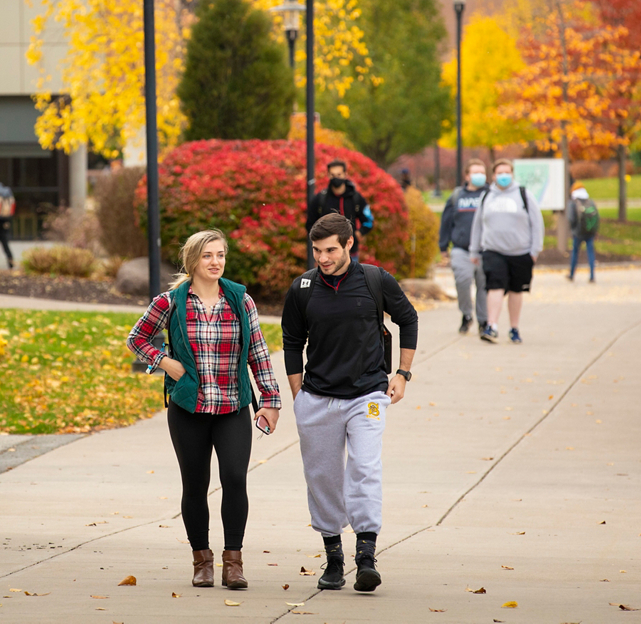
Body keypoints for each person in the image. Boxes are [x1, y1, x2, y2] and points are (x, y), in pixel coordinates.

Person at [125, 229, 282, 590]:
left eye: (221, 255)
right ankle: (202, 560)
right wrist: (164, 362)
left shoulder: (241, 300)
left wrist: (270, 401)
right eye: (208, 256)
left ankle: (233, 562)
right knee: (195, 485)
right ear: (193, 261)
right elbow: (137, 338)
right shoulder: (171, 302)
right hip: (187, 409)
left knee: (235, 479)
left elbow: (258, 352)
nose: (216, 262)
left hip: (232, 407)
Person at [282, 213, 418, 594]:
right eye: (317, 251)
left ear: (348, 245)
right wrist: (298, 396)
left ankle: (366, 555)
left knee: (365, 467)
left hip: (369, 396)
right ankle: (334, 556)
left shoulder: (375, 280)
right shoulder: (303, 288)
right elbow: (292, 341)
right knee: (322, 477)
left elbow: (408, 319)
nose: (323, 258)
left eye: (330, 250)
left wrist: (403, 374)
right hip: (317, 397)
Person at [469, 159, 544, 344]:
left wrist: (535, 250)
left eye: (507, 172)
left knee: (516, 290)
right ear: (494, 176)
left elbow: (537, 224)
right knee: (494, 286)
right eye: (500, 173)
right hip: (493, 250)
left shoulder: (523, 194)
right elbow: (477, 225)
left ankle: (514, 327)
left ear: (512, 174)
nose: (504, 176)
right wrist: (474, 250)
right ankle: (492, 326)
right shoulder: (487, 196)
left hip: (520, 252)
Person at [439, 159, 489, 334]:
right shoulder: (457, 196)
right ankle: (467, 314)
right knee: (463, 281)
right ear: (467, 175)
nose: (479, 176)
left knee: (484, 287)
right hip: (461, 248)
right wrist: (443, 247)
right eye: (475, 172)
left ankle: (484, 321)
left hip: (486, 250)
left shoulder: (490, 195)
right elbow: (446, 222)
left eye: (482, 172)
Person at [307, 159, 374, 257]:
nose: (336, 178)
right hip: (327, 255)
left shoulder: (356, 198)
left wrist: (359, 234)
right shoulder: (320, 199)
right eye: (332, 175)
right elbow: (310, 224)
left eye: (339, 175)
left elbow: (368, 221)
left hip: (351, 253)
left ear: (345, 174)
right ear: (328, 175)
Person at [565, 181, 599, 283]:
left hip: (578, 233)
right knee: (590, 253)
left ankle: (571, 274)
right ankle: (592, 275)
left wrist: (573, 229)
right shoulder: (590, 201)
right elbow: (597, 217)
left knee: (575, 252)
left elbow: (571, 219)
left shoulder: (573, 202)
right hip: (590, 232)